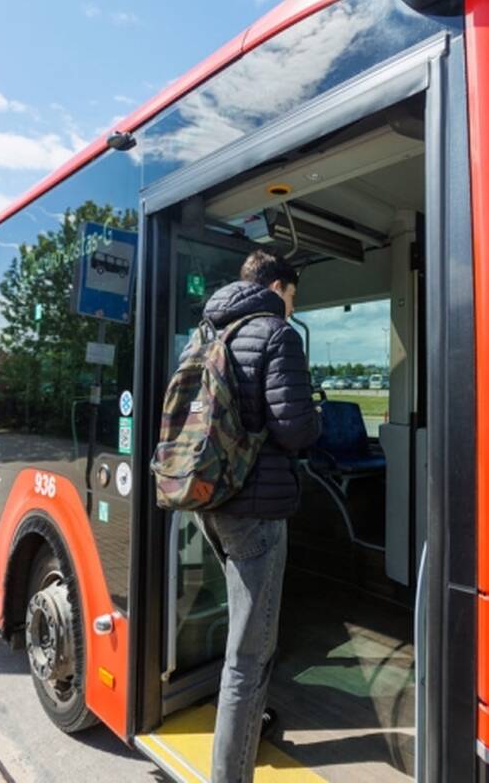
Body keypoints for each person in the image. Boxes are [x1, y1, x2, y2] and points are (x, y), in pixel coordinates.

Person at [195, 250, 322, 782]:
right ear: (276, 286)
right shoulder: (276, 333)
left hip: (210, 500)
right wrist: (313, 412)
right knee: (249, 658)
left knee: (243, 643)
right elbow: (295, 430)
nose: (292, 307)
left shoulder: (206, 331)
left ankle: (245, 730)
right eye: (292, 295)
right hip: (257, 510)